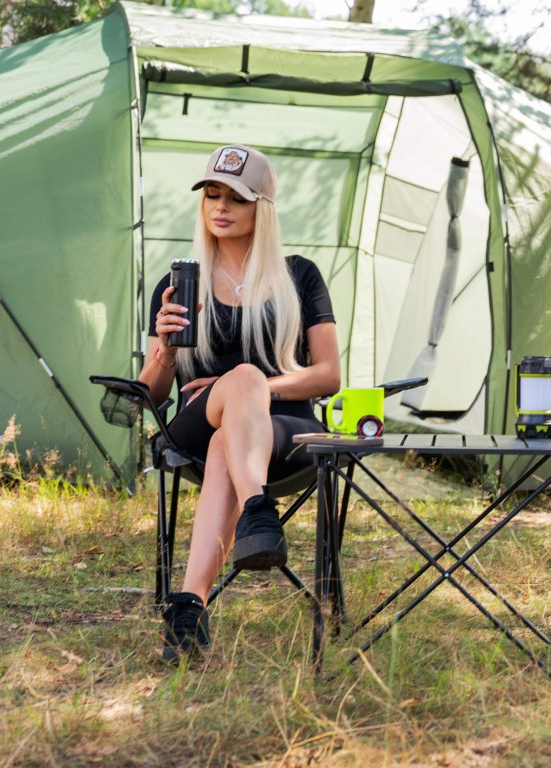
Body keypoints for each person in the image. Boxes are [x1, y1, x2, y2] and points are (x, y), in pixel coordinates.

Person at [139, 144, 340, 664]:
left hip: (283, 432)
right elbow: (151, 393)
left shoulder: (299, 276)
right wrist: (166, 351)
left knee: (233, 423)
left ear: (262, 208)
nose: (221, 207)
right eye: (212, 195)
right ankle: (257, 512)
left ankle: (189, 609)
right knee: (234, 398)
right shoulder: (179, 284)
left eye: (237, 198)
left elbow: (329, 375)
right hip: (194, 423)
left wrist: (251, 389)